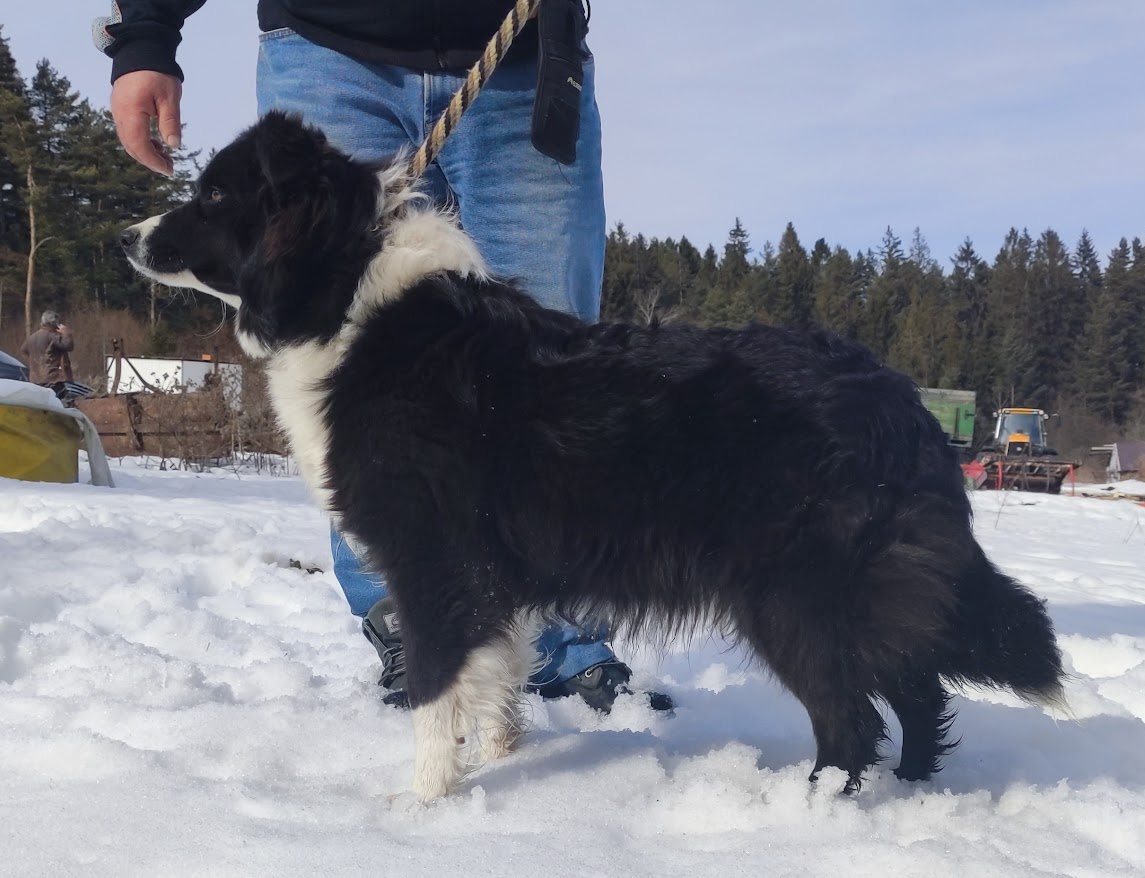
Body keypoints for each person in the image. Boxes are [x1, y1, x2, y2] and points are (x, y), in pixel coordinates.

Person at [94, 0, 670, 714]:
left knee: (553, 370)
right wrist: (146, 30)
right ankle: (412, 624)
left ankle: (567, 639)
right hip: (329, 51)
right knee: (345, 382)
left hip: (518, 55)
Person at [20, 310, 75, 391]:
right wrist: (66, 333)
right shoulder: (52, 336)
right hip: (52, 379)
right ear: (53, 323)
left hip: (35, 379)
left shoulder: (31, 337)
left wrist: (34, 361)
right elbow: (68, 346)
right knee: (57, 401)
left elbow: (23, 350)